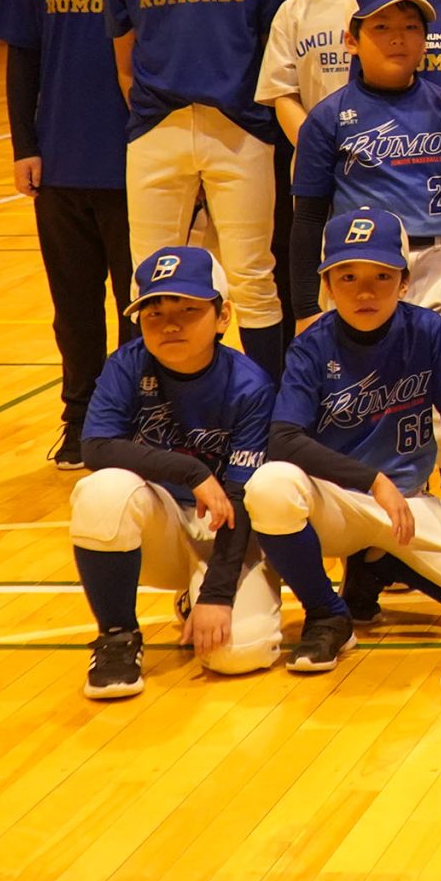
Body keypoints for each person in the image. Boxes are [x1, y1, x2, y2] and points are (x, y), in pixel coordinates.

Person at [105, 0, 295, 377]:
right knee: (151, 276)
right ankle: (156, 402)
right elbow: (124, 62)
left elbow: (277, 52)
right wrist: (154, 120)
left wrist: (251, 119)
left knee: (252, 275)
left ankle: (267, 401)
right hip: (156, 133)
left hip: (240, 132)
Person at [245, 209, 441, 673]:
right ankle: (326, 613)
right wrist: (372, 480)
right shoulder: (311, 346)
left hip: (406, 506)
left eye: (381, 276)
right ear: (327, 285)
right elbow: (283, 439)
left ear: (405, 282)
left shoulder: (428, 331)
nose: (364, 291)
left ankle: (378, 563)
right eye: (347, 277)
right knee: (270, 485)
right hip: (335, 504)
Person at [0, 0, 146, 468]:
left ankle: (137, 418)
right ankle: (80, 421)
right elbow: (22, 59)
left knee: (141, 306)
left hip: (139, 167)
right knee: (74, 309)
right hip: (62, 167)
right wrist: (25, 145)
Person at [70, 246, 284, 698]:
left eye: (188, 310)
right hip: (162, 523)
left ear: (223, 316)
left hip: (230, 530)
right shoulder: (127, 365)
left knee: (237, 655)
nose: (169, 324)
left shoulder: (250, 385)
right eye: (154, 312)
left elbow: (241, 495)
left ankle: (198, 592)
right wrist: (190, 471)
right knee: (101, 490)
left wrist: (217, 594)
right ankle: (117, 637)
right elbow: (95, 446)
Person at [289, 0, 441, 354]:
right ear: (351, 40)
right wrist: (307, 307)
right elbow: (308, 217)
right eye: (381, 27)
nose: (398, 38)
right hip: (359, 266)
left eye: (411, 27)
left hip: (440, 264)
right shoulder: (327, 118)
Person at [257, 0, 405, 325]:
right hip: (320, 169)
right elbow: (282, 92)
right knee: (334, 290)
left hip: (392, 164)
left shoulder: (402, 4)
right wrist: (320, 146)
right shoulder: (295, 9)